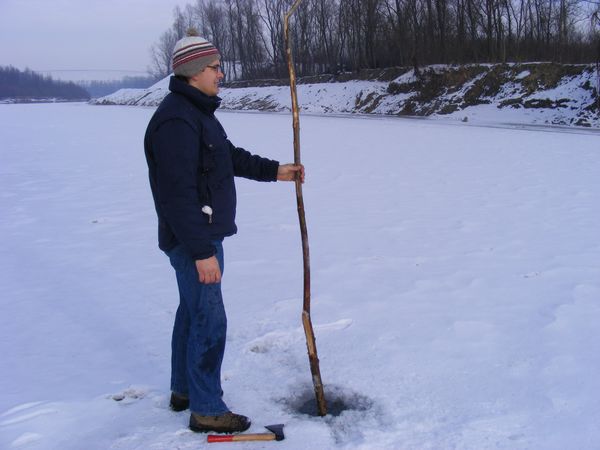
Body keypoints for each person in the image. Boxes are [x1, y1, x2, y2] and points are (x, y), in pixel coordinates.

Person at [143, 29, 304, 434]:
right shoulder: (176, 121)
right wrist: (201, 251)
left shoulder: (196, 112)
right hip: (194, 239)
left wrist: (275, 171)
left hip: (199, 235)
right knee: (208, 320)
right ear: (194, 71)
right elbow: (176, 195)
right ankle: (207, 408)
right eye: (215, 67)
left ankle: (184, 391)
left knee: (192, 313)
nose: (221, 73)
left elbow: (226, 157)